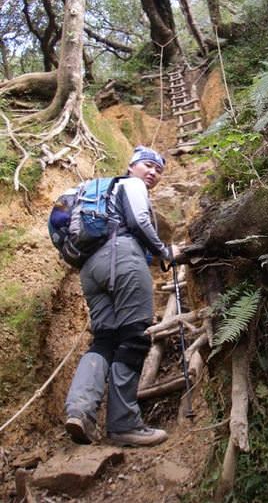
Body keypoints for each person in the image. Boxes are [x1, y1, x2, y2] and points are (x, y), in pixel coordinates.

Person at [64, 145, 181, 447]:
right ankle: (124, 424)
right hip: (123, 258)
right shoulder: (131, 185)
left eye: (159, 170)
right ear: (131, 166)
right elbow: (141, 222)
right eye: (147, 166)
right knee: (135, 336)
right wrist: (165, 252)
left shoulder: (101, 195)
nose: (153, 173)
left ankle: (79, 410)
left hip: (90, 269)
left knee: (104, 340)